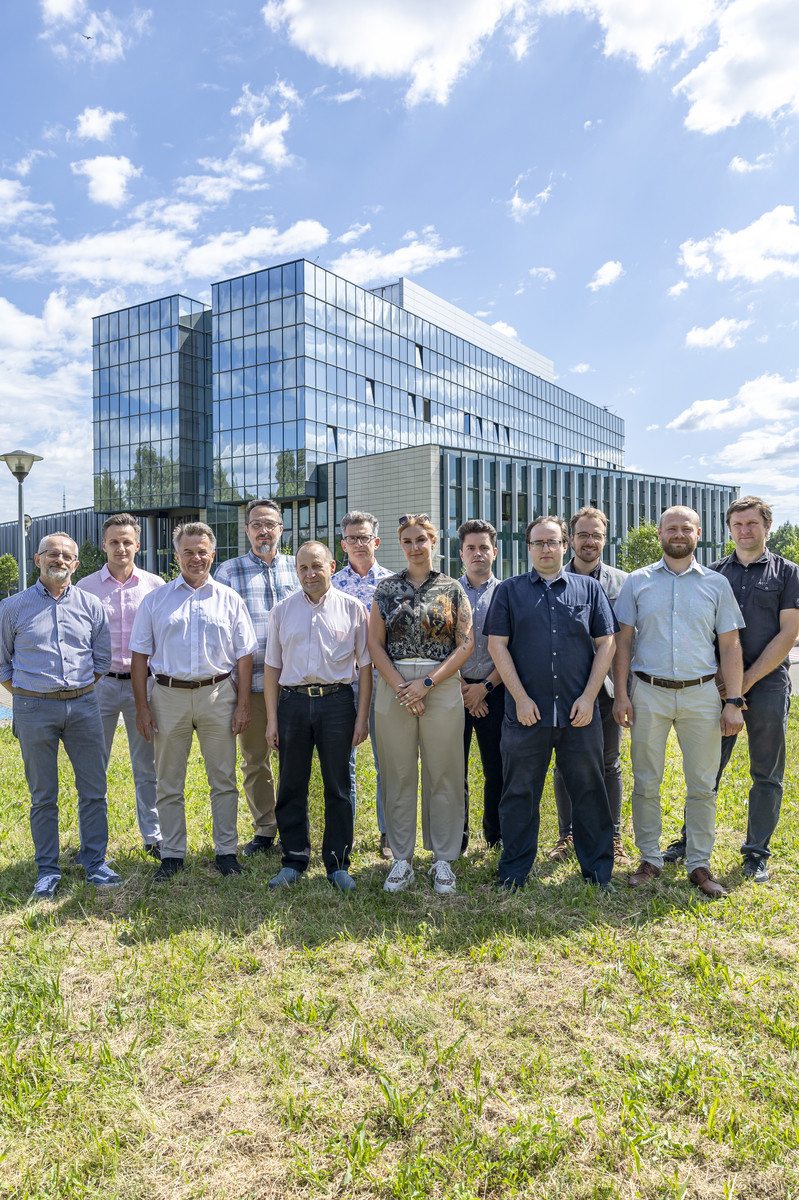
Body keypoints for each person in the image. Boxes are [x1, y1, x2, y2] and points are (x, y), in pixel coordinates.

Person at [662, 496, 799, 883]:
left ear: (767, 526)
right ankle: (689, 841)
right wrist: (724, 685)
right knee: (706, 769)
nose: (744, 530)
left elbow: (789, 634)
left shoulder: (789, 573)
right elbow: (703, 633)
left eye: (752, 523)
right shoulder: (712, 574)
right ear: (728, 530)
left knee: (766, 772)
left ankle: (756, 853)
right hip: (717, 686)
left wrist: (743, 685)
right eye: (737, 524)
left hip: (767, 684)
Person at [613, 506, 745, 899]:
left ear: (698, 534)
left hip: (701, 694)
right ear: (659, 533)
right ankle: (649, 858)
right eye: (671, 528)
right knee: (646, 780)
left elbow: (730, 645)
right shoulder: (637, 582)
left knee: (703, 784)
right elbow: (622, 642)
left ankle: (699, 863)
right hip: (648, 691)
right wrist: (621, 693)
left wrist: (734, 701)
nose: (678, 534)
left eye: (686, 528)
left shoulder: (717, 584)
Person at [485, 516, 617, 891]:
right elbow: (497, 645)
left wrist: (589, 698)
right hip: (527, 714)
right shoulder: (509, 591)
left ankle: (598, 873)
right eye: (538, 543)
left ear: (565, 545)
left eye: (553, 542)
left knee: (590, 792)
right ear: (528, 548)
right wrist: (520, 698)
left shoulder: (589, 590)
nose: (546, 549)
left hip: (579, 714)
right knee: (519, 794)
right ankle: (513, 872)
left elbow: (606, 643)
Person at [130, 522, 257, 881]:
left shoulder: (229, 599)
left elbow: (245, 656)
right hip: (168, 696)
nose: (196, 558)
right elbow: (139, 656)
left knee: (224, 779)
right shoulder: (156, 600)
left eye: (202, 551)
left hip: (218, 694)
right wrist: (142, 707)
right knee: (168, 780)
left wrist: (243, 705)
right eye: (188, 551)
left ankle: (226, 852)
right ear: (177, 556)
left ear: (212, 555)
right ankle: (172, 854)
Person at [0, 531, 119, 900]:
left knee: (94, 790)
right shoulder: (12, 607)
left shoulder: (91, 605)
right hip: (33, 708)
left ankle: (95, 862)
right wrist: (30, 695)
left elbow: (102, 660)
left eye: (67, 555)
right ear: (37, 560)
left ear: (76, 564)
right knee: (43, 795)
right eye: (52, 553)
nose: (60, 560)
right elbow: (2, 664)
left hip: (84, 706)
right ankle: (48, 870)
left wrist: (75, 691)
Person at [369, 514, 473, 895]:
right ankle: (401, 859)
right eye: (407, 541)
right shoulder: (385, 589)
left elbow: (466, 644)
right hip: (395, 684)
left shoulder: (453, 588)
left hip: (439, 684)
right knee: (397, 772)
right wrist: (402, 687)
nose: (414, 547)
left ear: (433, 542)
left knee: (444, 771)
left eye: (421, 540)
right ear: (401, 545)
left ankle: (443, 859)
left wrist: (427, 683)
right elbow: (374, 644)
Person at [264, 541, 372, 891]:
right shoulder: (282, 611)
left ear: (332, 566)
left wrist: (361, 718)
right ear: (297, 571)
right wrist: (271, 719)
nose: (310, 574)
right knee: (291, 784)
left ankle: (338, 864)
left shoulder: (353, 609)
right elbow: (272, 667)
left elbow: (365, 668)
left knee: (338, 786)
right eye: (303, 568)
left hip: (337, 703)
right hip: (293, 703)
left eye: (316, 566)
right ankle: (294, 860)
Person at [214, 499, 299, 857]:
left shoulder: (299, 567)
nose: (264, 531)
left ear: (281, 528)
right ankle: (265, 829)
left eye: (270, 524)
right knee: (254, 759)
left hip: (296, 683)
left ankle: (296, 827)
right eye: (256, 525)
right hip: (250, 683)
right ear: (247, 529)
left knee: (296, 759)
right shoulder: (228, 572)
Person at [79, 513, 164, 858]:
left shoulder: (155, 586)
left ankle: (154, 837)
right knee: (92, 767)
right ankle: (92, 842)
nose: (121, 548)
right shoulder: (85, 588)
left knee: (147, 766)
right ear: (104, 544)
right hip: (100, 686)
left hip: (144, 688)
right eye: (114, 541)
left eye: (127, 541)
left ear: (137, 545)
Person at [549, 507, 630, 867]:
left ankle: (612, 835)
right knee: (565, 764)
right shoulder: (553, 579)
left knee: (608, 763)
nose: (589, 541)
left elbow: (627, 642)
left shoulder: (623, 583)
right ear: (571, 539)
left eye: (596, 535)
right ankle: (567, 835)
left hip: (608, 690)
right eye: (583, 534)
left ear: (604, 539)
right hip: (564, 690)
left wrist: (625, 692)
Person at [331, 510, 393, 856]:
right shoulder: (331, 584)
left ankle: (389, 834)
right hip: (346, 684)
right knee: (344, 763)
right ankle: (344, 835)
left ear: (376, 541)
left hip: (385, 683)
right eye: (351, 538)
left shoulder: (394, 584)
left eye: (364, 537)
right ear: (343, 544)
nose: (358, 543)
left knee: (388, 760)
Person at [458, 519, 504, 851]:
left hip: (495, 691)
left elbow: (512, 648)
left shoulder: (508, 593)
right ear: (461, 553)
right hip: (453, 690)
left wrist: (483, 688)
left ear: (494, 552)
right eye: (471, 548)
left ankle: (495, 836)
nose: (478, 553)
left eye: (483, 547)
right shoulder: (446, 591)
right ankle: (455, 838)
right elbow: (439, 645)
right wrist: (462, 687)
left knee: (496, 768)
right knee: (453, 769)